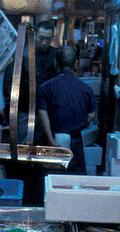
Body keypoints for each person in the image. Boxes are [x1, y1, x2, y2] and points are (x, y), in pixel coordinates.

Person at [37, 45, 95, 174]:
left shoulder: (45, 88)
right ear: (76, 63)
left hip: (53, 141)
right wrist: (80, 125)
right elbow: (91, 116)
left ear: (56, 62)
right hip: (75, 141)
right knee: (74, 181)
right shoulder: (86, 89)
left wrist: (51, 140)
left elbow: (42, 114)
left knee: (51, 180)